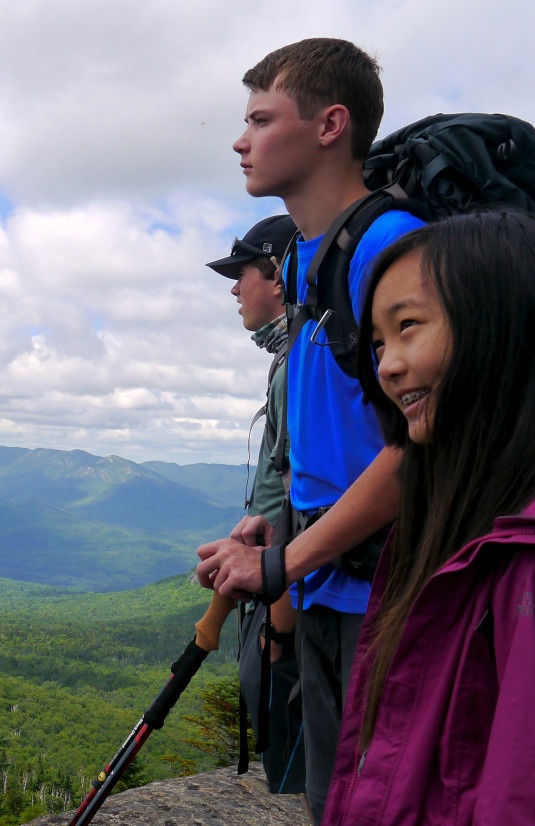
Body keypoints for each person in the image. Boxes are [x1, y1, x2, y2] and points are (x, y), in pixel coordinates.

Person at [323, 210, 535, 824]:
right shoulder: (484, 521)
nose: (387, 365)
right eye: (378, 342)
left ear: (505, 329)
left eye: (409, 326)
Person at [194, 38, 424, 823]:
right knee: (336, 805)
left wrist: (285, 561)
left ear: (331, 124)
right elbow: (333, 436)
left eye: (261, 118)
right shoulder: (305, 262)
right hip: (330, 586)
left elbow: (425, 443)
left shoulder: (391, 248)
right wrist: (278, 521)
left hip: (389, 598)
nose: (240, 139)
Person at [206, 213, 304, 793]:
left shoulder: (301, 363)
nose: (234, 289)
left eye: (241, 273)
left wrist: (280, 629)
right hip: (276, 581)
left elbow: (310, 501)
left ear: (276, 273)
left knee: (291, 738)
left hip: (286, 594)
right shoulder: (294, 354)